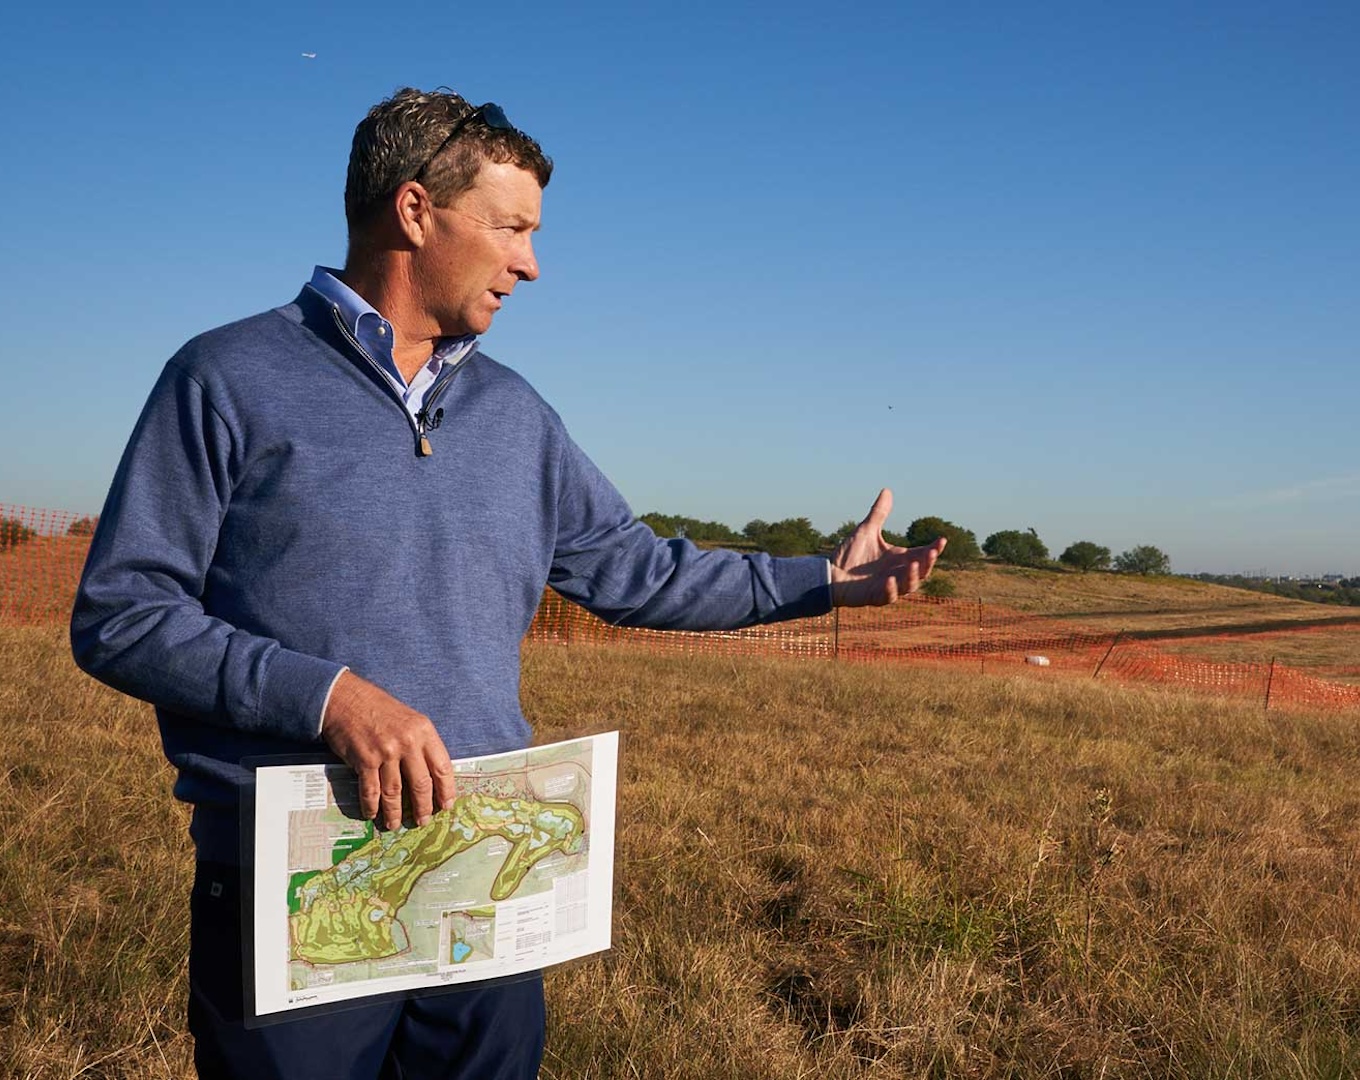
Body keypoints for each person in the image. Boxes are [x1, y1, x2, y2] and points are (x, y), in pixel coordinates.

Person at [70, 87, 945, 1080]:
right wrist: (329, 698)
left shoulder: (514, 412)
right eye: (511, 227)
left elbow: (633, 569)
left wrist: (824, 579)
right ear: (414, 211)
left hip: (484, 885)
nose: (531, 261)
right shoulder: (226, 378)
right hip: (300, 883)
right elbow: (123, 617)